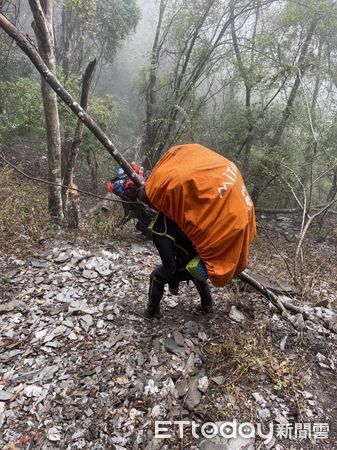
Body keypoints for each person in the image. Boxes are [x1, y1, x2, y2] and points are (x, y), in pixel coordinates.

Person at [137, 188, 213, 319]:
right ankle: (207, 303)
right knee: (194, 271)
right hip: (206, 253)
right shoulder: (180, 204)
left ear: (150, 204)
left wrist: (173, 285)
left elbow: (170, 266)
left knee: (156, 277)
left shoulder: (160, 227)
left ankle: (152, 311)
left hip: (192, 261)